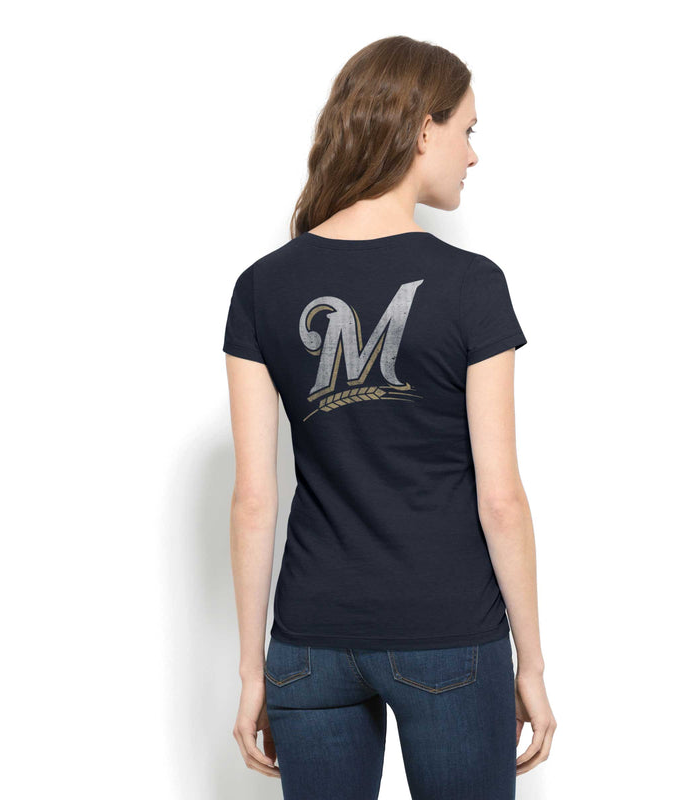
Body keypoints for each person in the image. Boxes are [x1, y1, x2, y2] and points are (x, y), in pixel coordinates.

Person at [223, 35, 556, 800]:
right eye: (467, 130)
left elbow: (253, 500)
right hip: (449, 634)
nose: (473, 154)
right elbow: (501, 499)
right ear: (423, 130)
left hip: (308, 644)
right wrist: (532, 664)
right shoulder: (471, 285)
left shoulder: (262, 287)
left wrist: (252, 672)